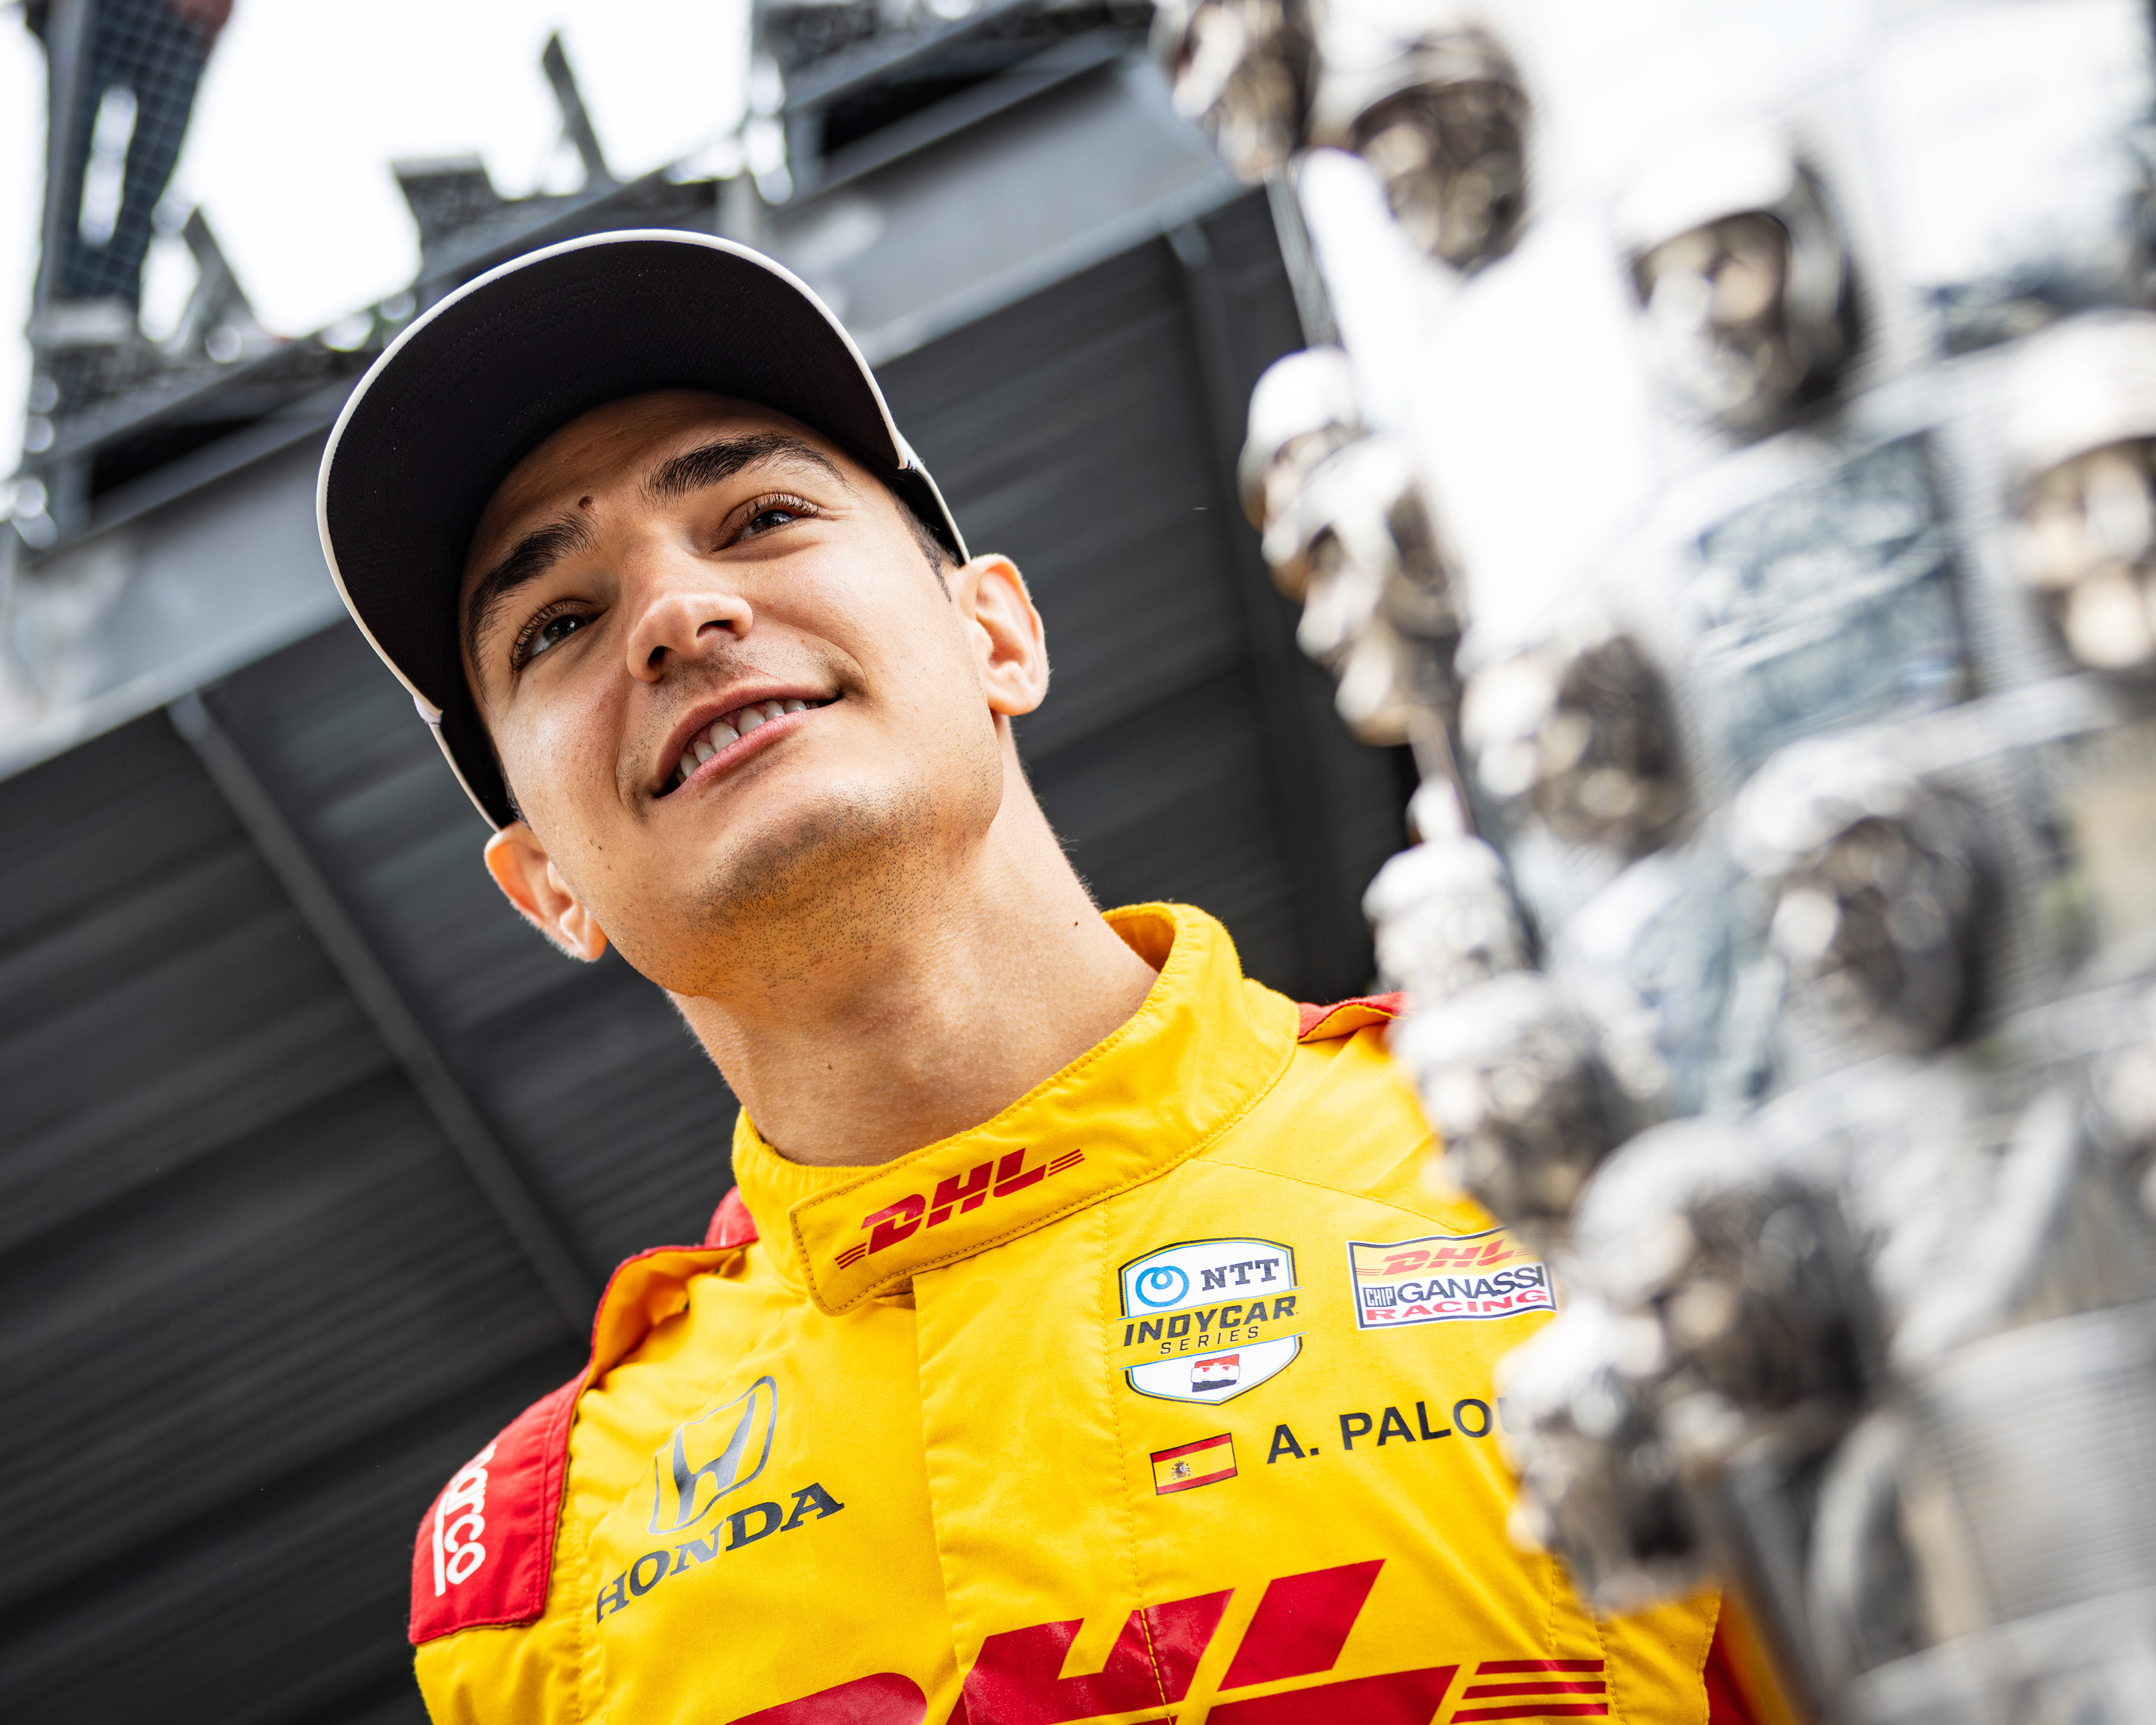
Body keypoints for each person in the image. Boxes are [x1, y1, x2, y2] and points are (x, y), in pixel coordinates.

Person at [318, 229, 1748, 1725]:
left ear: (995, 632)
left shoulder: (1563, 1150)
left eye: (760, 516)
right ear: (546, 884)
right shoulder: (538, 1584)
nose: (677, 616)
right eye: (558, 624)